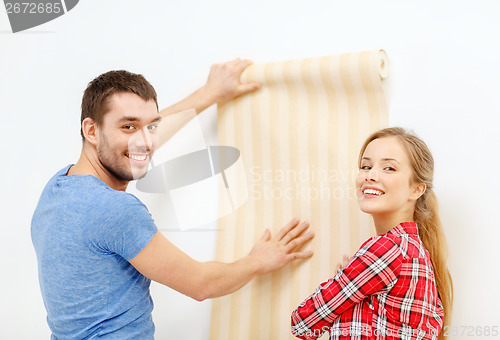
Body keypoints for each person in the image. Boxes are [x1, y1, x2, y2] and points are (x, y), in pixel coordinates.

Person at [31, 59, 314, 339]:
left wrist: (207, 94)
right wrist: (258, 261)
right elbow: (201, 284)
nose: (144, 141)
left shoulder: (58, 187)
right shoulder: (113, 209)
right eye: (128, 127)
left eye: (150, 126)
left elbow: (138, 142)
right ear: (91, 130)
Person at [291, 127, 453, 340]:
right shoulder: (416, 253)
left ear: (416, 189)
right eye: (366, 166)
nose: (371, 175)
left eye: (389, 168)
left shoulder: (387, 248)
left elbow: (302, 323)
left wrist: (345, 281)